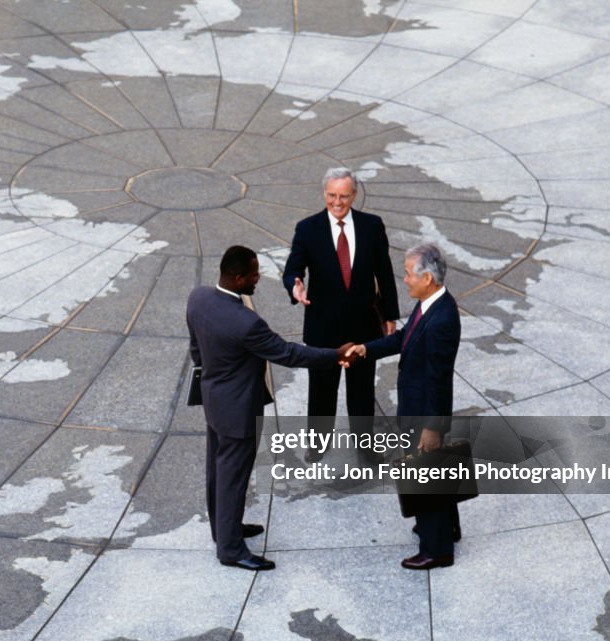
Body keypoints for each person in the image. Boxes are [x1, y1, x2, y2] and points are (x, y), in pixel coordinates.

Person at [187, 245, 346, 571]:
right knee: (233, 477)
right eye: (254, 274)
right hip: (238, 410)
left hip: (214, 400)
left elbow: (196, 349)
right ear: (238, 277)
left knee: (217, 471)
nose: (258, 278)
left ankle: (224, 529)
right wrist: (335, 355)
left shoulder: (199, 298)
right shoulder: (246, 322)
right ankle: (230, 550)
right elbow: (289, 354)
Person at [346, 244, 462, 570]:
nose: (405, 279)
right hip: (416, 405)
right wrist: (366, 349)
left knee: (426, 473)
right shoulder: (428, 305)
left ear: (427, 277)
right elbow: (402, 340)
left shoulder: (441, 320)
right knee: (434, 469)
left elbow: (439, 381)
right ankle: (447, 528)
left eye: (409, 274)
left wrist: (432, 427)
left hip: (423, 412)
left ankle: (436, 549)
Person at [282, 168, 399, 459]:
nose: (337, 202)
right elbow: (293, 268)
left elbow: (384, 273)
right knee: (321, 391)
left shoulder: (372, 226)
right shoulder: (308, 229)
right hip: (324, 327)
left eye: (344, 196)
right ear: (324, 193)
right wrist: (294, 286)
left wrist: (390, 316)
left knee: (361, 392)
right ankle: (317, 445)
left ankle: (365, 446)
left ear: (354, 195)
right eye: (332, 195)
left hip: (364, 325)